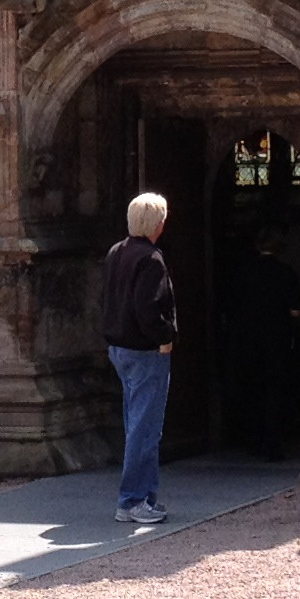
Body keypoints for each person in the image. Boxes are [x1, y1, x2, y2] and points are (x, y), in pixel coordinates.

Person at [103, 191, 179, 527]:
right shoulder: (151, 259)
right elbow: (147, 307)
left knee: (137, 423)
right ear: (156, 223)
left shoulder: (117, 252)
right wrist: (165, 337)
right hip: (144, 349)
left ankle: (143, 496)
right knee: (145, 429)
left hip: (120, 346)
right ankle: (133, 499)